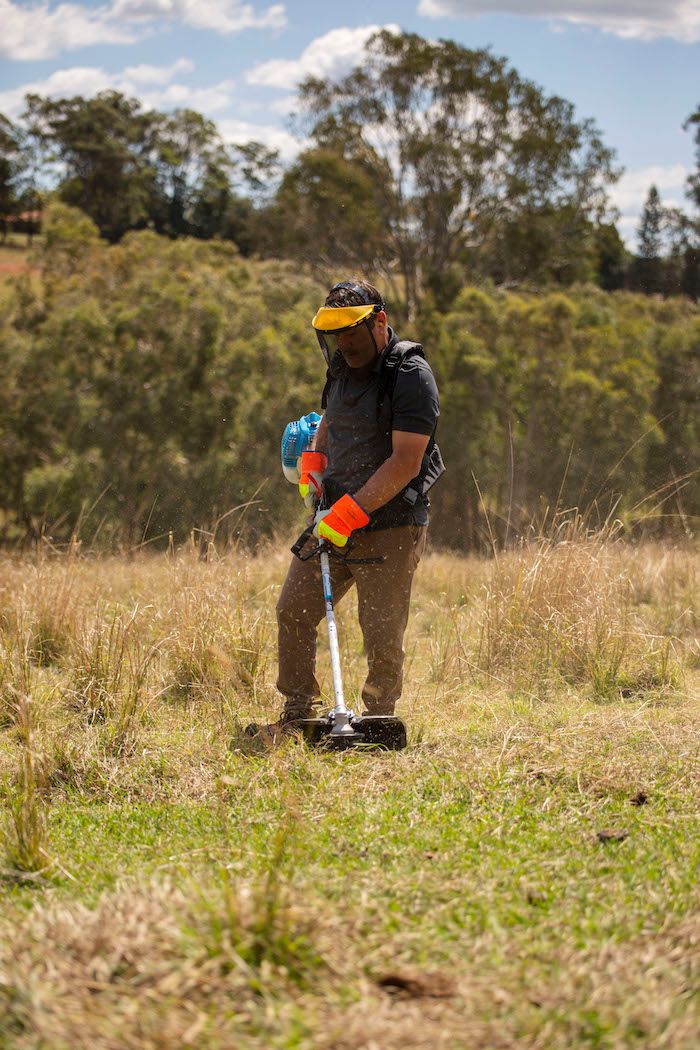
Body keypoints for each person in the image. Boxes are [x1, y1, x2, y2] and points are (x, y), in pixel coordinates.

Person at [268, 278, 441, 737]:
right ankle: (300, 710)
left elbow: (406, 461)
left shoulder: (411, 376)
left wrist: (350, 514)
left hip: (389, 523)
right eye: (336, 336)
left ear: (379, 323)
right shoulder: (342, 366)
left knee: (380, 629)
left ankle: (379, 719)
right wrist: (313, 466)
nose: (343, 344)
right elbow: (329, 419)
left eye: (351, 333)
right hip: (331, 519)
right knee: (293, 610)